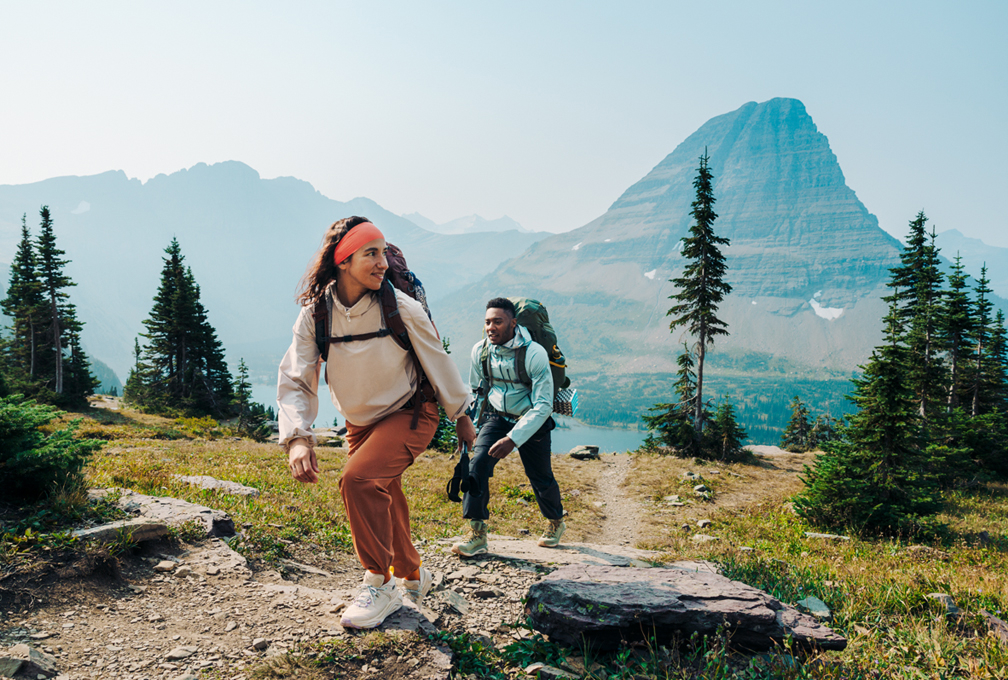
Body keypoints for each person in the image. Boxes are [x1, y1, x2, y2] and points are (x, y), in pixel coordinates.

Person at [278, 216, 476, 629]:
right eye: (371, 253)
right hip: (361, 422)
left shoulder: (401, 307)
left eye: (384, 252)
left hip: (411, 411)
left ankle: (379, 584)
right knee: (383, 489)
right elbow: (297, 377)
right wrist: (298, 437)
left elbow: (437, 360)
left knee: (359, 481)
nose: (382, 261)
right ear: (344, 260)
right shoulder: (316, 315)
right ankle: (412, 573)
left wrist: (461, 415)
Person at [452, 297, 565, 557]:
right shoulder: (480, 351)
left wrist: (513, 439)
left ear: (513, 323)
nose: (491, 327)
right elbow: (476, 390)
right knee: (476, 465)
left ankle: (555, 522)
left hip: (531, 419)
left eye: (498, 322)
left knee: (540, 477)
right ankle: (477, 533)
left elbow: (543, 405)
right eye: (487, 322)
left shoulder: (534, 353)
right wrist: (467, 421)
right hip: (496, 416)